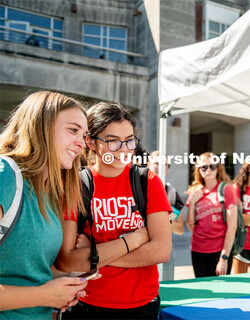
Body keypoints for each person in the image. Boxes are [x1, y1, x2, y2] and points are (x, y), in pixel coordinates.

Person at [56, 102, 172, 319]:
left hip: (142, 306)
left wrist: (92, 254)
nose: (124, 150)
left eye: (129, 140)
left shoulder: (147, 181)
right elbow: (67, 261)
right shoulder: (77, 184)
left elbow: (161, 251)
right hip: (87, 305)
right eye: (112, 142)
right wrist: (133, 241)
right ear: (90, 142)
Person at [0, 91, 91, 319]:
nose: (82, 143)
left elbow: (29, 270)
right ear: (41, 126)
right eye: (73, 130)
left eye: (85, 134)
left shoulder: (49, 192)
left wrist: (63, 285)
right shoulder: (6, 175)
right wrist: (44, 296)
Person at [186, 152, 237, 277]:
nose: (208, 170)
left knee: (222, 291)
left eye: (212, 166)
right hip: (198, 251)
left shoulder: (226, 190)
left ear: (217, 169)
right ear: (199, 170)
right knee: (203, 292)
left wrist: (224, 258)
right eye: (204, 167)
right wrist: (192, 203)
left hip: (219, 251)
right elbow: (191, 226)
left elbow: (232, 227)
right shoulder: (195, 192)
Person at [147, 150, 185, 281]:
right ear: (148, 164)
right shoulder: (136, 188)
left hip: (164, 249)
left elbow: (180, 230)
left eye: (165, 165)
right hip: (141, 249)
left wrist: (164, 220)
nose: (161, 167)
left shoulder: (171, 192)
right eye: (157, 163)